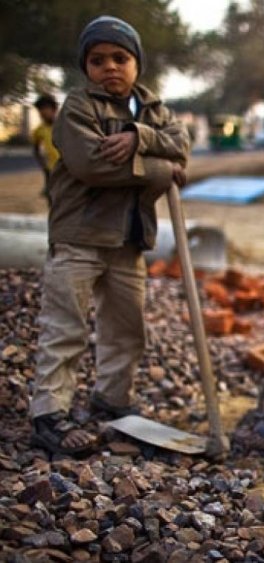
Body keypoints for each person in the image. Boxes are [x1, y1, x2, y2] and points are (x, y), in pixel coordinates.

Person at [30, 15, 190, 455]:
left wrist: (139, 135)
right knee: (65, 327)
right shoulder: (79, 108)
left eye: (120, 58)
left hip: (129, 239)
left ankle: (111, 400)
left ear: (137, 63)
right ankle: (48, 414)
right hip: (80, 236)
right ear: (86, 68)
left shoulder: (155, 111)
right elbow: (91, 166)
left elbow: (182, 144)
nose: (110, 68)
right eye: (98, 60)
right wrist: (159, 168)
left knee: (126, 329)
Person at [31, 94, 61, 203]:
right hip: (51, 171)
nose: (42, 112)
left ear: (54, 109)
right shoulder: (39, 130)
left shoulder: (64, 125)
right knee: (52, 199)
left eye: (45, 108)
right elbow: (35, 149)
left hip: (68, 170)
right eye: (40, 110)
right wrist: (44, 166)